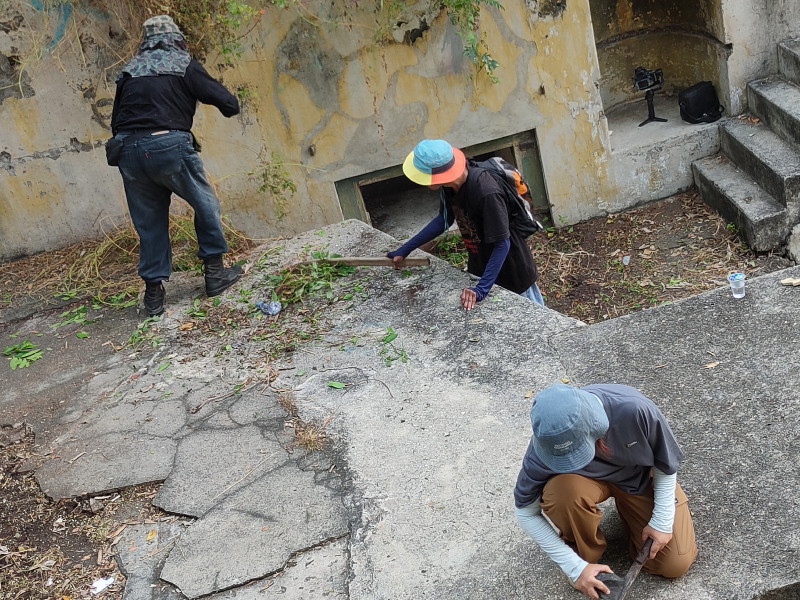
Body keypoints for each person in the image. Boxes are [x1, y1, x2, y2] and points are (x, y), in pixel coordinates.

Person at [110, 15, 242, 317]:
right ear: (176, 38)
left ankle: (153, 296)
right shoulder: (183, 64)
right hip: (168, 146)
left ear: (145, 41)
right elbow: (229, 104)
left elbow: (117, 122)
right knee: (205, 204)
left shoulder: (129, 71)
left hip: (128, 151)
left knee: (149, 222)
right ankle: (214, 274)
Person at [514, 383, 697, 600]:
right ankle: (583, 554)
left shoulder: (635, 409)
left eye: (578, 451)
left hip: (639, 477)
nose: (574, 460)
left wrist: (662, 520)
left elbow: (666, 464)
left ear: (597, 425)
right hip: (582, 485)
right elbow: (525, 512)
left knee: (675, 564)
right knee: (562, 494)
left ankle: (632, 515)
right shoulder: (542, 449)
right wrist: (574, 567)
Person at [387, 139, 543, 310]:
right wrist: (406, 249)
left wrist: (481, 289)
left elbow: (502, 243)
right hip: (481, 264)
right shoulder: (450, 185)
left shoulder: (486, 191)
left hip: (512, 270)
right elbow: (444, 219)